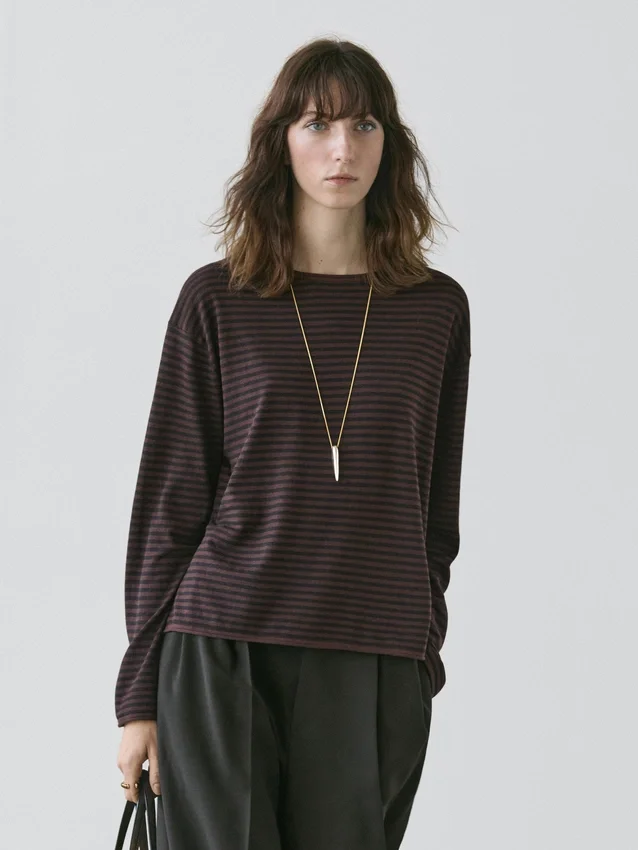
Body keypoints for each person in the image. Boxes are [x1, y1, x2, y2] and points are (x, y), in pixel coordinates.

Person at [115, 36, 471, 850]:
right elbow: (171, 505)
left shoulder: (436, 310)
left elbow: (435, 511)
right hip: (223, 650)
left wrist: (421, 651)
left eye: (364, 125)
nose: (343, 149)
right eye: (317, 124)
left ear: (390, 144)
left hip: (374, 656)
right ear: (281, 141)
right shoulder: (218, 299)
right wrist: (139, 695)